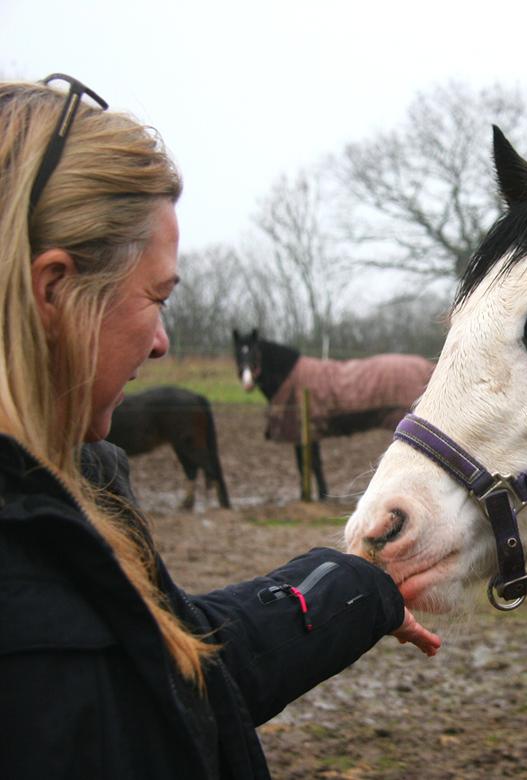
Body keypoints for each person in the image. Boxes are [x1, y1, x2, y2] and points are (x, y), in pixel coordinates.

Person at [0, 74, 440, 779]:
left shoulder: (70, 494)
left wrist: (361, 587)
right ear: (53, 290)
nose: (163, 343)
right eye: (156, 297)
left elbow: (180, 664)